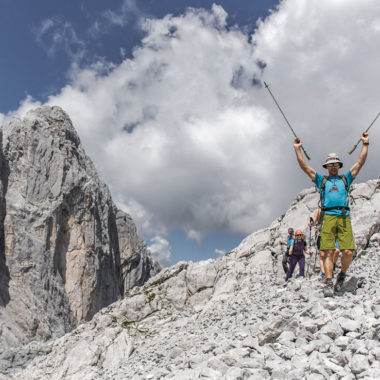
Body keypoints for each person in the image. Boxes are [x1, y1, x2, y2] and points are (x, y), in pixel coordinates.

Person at [294, 132, 369, 297]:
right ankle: (328, 281)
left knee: (348, 251)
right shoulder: (322, 180)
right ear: (326, 167)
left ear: (339, 165)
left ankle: (341, 275)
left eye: (336, 164)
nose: (333, 166)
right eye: (330, 164)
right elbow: (304, 167)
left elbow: (360, 162)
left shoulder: (345, 179)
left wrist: (365, 144)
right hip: (327, 216)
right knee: (327, 252)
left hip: (343, 216)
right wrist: (298, 149)